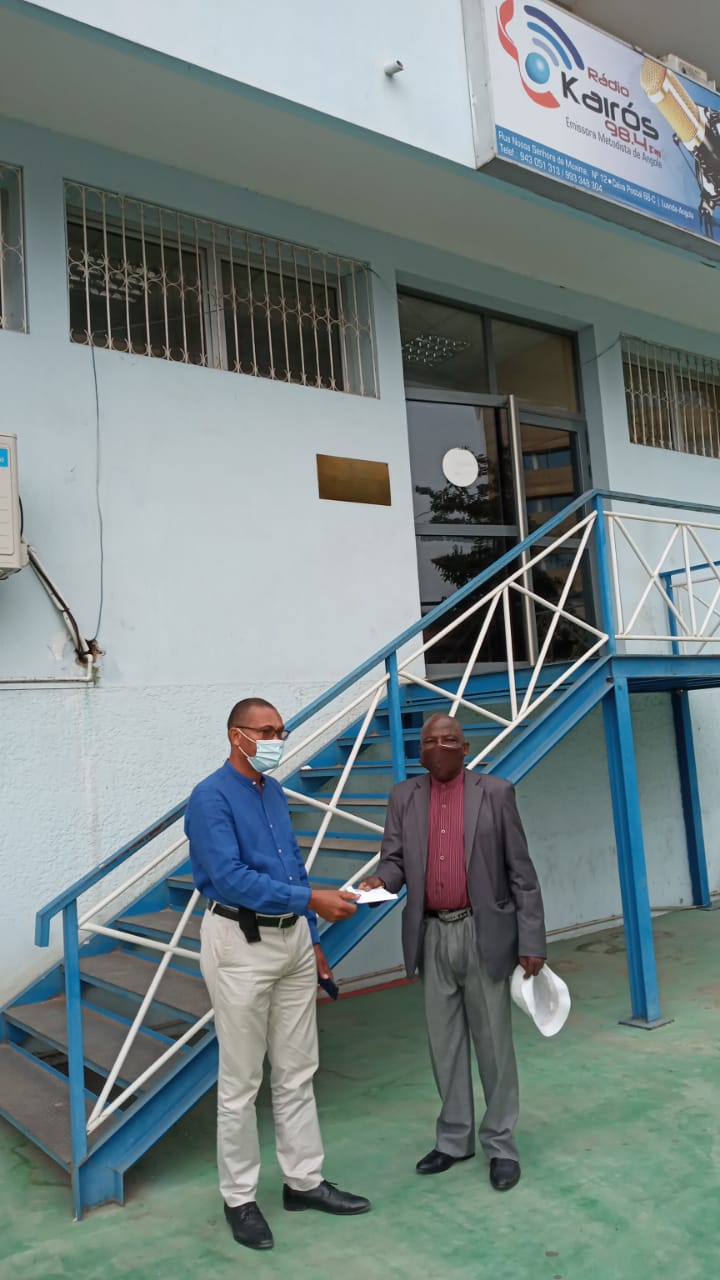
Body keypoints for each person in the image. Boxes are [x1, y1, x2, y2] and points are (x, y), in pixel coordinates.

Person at [185, 697, 371, 1251]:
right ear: (235, 734)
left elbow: (292, 862)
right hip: (240, 943)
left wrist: (311, 938)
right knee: (241, 1080)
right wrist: (309, 897)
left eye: (280, 730)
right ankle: (240, 1198)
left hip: (291, 940)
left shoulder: (273, 794)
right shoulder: (210, 798)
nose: (276, 739)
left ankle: (303, 1181)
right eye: (265, 731)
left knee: (297, 1069)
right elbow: (230, 877)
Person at [360, 713, 545, 1193]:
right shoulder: (404, 796)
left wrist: (532, 941)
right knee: (444, 1046)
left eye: (449, 740)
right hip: (432, 935)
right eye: (429, 741)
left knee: (494, 1047)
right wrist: (383, 880)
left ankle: (501, 1145)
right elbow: (394, 858)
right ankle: (454, 1139)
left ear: (465, 748)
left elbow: (521, 873)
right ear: (419, 751)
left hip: (484, 933)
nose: (438, 747)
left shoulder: (497, 793)